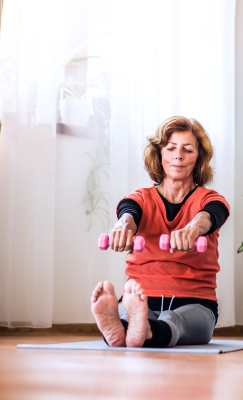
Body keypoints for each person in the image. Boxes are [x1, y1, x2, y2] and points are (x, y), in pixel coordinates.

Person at [90, 116, 230, 348]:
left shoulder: (211, 200)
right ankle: (125, 325)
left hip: (196, 304)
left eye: (188, 149)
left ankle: (139, 328)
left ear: (199, 158)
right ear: (159, 154)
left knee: (174, 320)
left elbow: (210, 216)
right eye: (171, 148)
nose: (178, 156)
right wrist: (122, 227)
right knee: (131, 316)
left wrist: (193, 228)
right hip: (141, 296)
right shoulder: (141, 198)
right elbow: (128, 214)